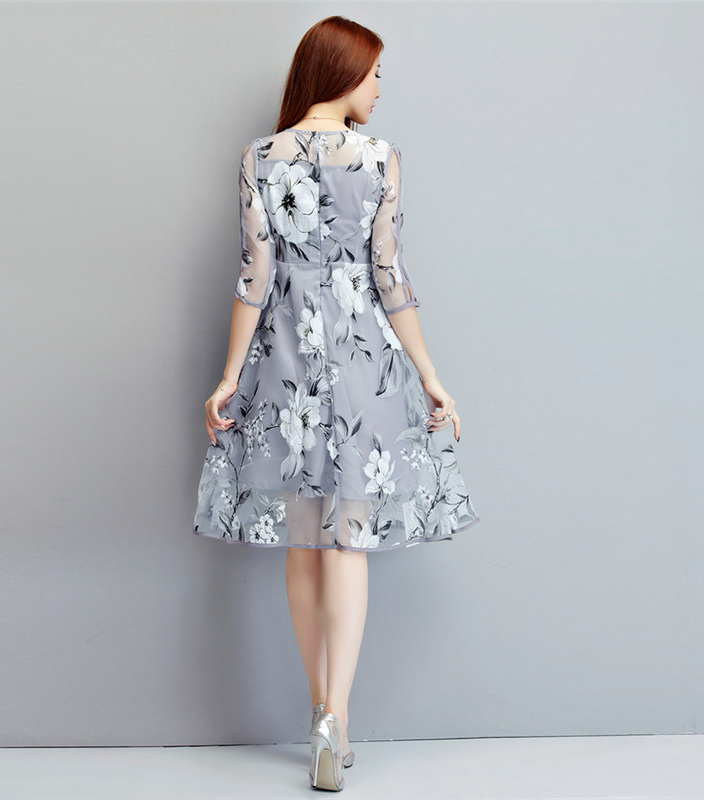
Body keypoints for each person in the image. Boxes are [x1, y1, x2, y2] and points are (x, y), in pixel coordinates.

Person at [194, 15, 481, 791]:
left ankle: (318, 706)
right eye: (375, 72)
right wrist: (429, 373)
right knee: (348, 544)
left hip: (284, 364)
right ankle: (337, 719)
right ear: (343, 71)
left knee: (303, 545)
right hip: (362, 367)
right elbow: (390, 277)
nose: (380, 88)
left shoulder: (260, 157)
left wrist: (228, 377)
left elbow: (254, 277)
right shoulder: (381, 159)